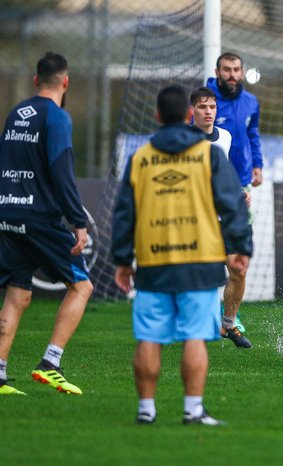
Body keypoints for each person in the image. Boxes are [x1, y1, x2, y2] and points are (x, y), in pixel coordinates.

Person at [111, 85, 252, 425]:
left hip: (154, 259)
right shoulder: (208, 154)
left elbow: (124, 213)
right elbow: (233, 204)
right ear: (188, 114)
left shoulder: (141, 157)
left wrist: (121, 259)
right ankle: (192, 409)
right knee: (195, 336)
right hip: (199, 259)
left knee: (149, 337)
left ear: (158, 116)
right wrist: (241, 248)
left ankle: (146, 410)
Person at [0, 52, 93, 396]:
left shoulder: (15, 114)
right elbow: (60, 169)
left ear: (36, 79)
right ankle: (50, 363)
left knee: (18, 292)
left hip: (7, 212)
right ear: (65, 82)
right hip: (39, 216)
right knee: (82, 287)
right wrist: (78, 221)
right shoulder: (57, 118)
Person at [206, 52, 263, 342]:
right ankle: (204, 317)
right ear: (217, 71)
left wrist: (258, 165)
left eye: (236, 69)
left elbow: (253, 134)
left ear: (241, 72)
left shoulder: (251, 102)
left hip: (239, 188)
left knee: (239, 264)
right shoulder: (206, 102)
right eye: (226, 69)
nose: (231, 74)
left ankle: (229, 318)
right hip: (207, 198)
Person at [189, 87, 251, 348]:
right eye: (203, 107)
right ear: (192, 110)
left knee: (238, 269)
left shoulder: (224, 136)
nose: (208, 112)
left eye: (212, 107)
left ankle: (229, 324)